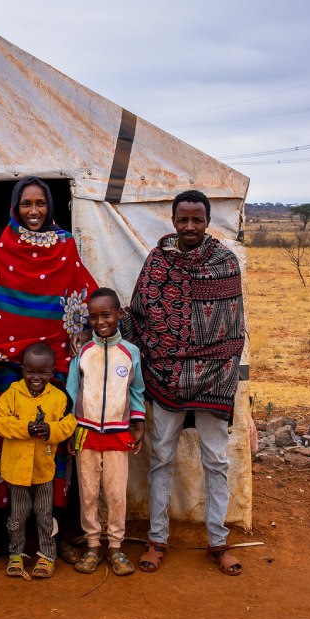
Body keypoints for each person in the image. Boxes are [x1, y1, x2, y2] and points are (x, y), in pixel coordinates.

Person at [0, 177, 97, 564]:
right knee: (5, 446)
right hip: (7, 365)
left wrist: (85, 335)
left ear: (51, 206)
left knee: (54, 448)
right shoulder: (4, 245)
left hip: (53, 363)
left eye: (41, 203)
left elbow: (81, 295)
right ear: (15, 206)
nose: (34, 211)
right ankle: (0, 536)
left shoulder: (66, 245)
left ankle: (54, 535)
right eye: (27, 204)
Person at [122, 189, 246, 576]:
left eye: (197, 219)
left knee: (216, 461)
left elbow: (233, 326)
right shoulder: (158, 261)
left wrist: (220, 364)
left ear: (207, 221)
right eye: (183, 219)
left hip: (214, 376)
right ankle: (157, 539)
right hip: (168, 376)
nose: (190, 226)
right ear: (173, 220)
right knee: (161, 457)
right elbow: (140, 313)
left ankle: (218, 541)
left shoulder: (225, 262)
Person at [65, 287, 145, 576]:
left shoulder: (130, 353)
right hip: (85, 434)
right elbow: (72, 391)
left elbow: (136, 391)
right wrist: (70, 428)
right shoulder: (83, 352)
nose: (100, 322)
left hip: (117, 435)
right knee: (88, 493)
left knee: (115, 493)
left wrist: (139, 423)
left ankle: (115, 546)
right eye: (94, 317)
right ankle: (92, 545)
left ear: (120, 314)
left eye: (106, 315)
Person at [0, 341, 76, 579]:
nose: (35, 377)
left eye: (42, 372)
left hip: (43, 469)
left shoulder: (58, 397)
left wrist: (51, 430)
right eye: (30, 371)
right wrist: (24, 428)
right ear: (22, 369)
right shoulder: (11, 394)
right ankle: (15, 554)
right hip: (17, 470)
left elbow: (70, 423)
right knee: (17, 515)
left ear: (52, 371)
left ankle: (47, 555)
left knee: (44, 514)